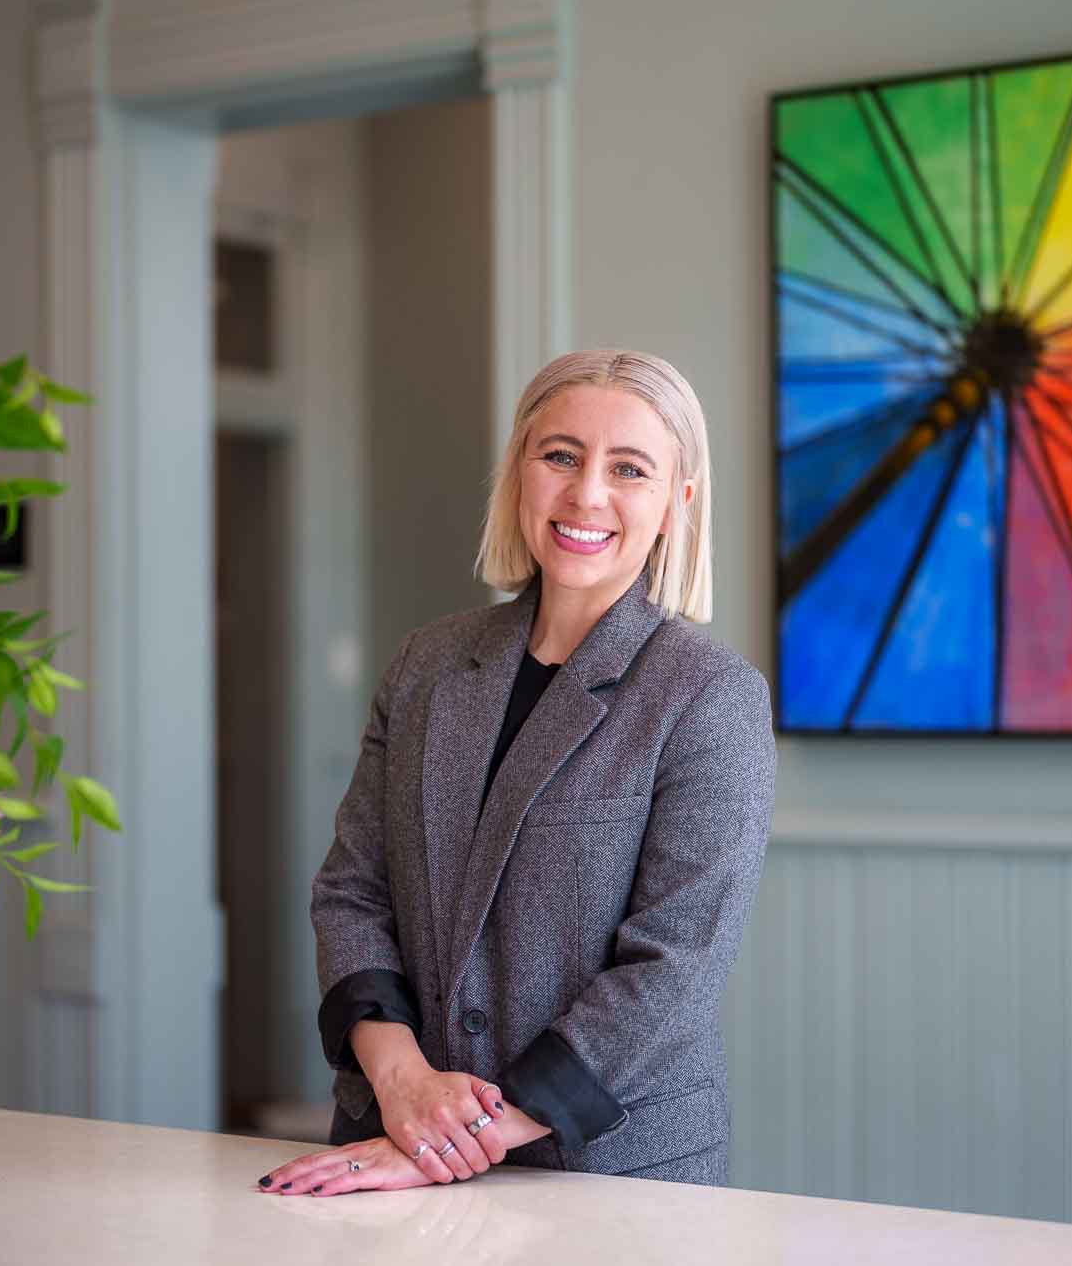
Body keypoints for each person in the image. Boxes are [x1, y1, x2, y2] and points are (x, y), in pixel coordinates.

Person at [255, 350, 776, 1197]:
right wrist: (405, 1090)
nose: (586, 495)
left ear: (677, 502)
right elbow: (352, 894)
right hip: (387, 1132)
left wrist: (449, 1139)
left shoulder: (710, 698)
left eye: (629, 469)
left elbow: (674, 968)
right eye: (560, 455)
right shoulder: (427, 664)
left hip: (604, 1173)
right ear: (519, 471)